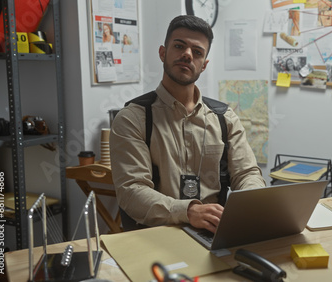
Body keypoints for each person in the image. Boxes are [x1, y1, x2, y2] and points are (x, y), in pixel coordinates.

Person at [110, 15, 266, 233]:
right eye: (179, 46)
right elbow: (132, 191)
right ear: (163, 53)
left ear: (204, 65)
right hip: (157, 234)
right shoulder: (132, 119)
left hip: (213, 232)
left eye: (197, 52)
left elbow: (247, 174)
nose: (187, 55)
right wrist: (188, 211)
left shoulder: (224, 118)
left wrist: (249, 203)